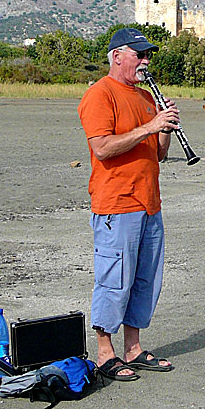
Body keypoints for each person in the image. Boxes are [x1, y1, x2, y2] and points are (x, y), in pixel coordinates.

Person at [78, 28, 179, 381]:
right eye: (140, 54)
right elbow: (103, 147)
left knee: (145, 280)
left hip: (149, 204)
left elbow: (160, 154)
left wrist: (164, 126)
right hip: (116, 204)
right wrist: (150, 126)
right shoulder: (100, 95)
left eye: (148, 54)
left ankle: (133, 349)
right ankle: (105, 353)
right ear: (117, 55)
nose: (146, 61)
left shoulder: (146, 97)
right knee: (113, 279)